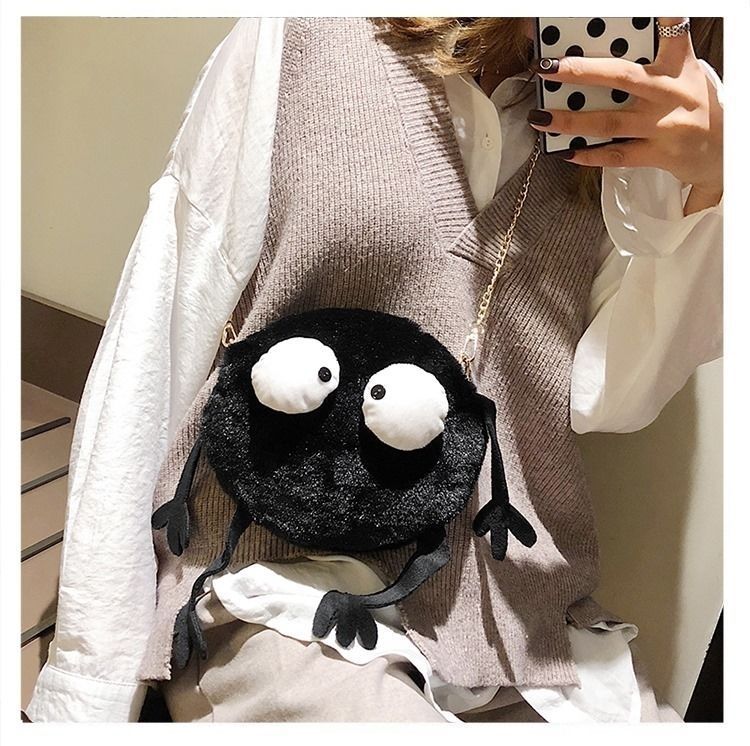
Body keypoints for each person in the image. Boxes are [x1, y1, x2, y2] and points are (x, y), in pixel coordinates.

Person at [26, 16, 723, 722]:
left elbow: (608, 396)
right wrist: (90, 684)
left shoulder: (624, 148)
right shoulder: (305, 36)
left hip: (517, 626)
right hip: (280, 584)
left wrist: (710, 189)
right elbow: (162, 329)